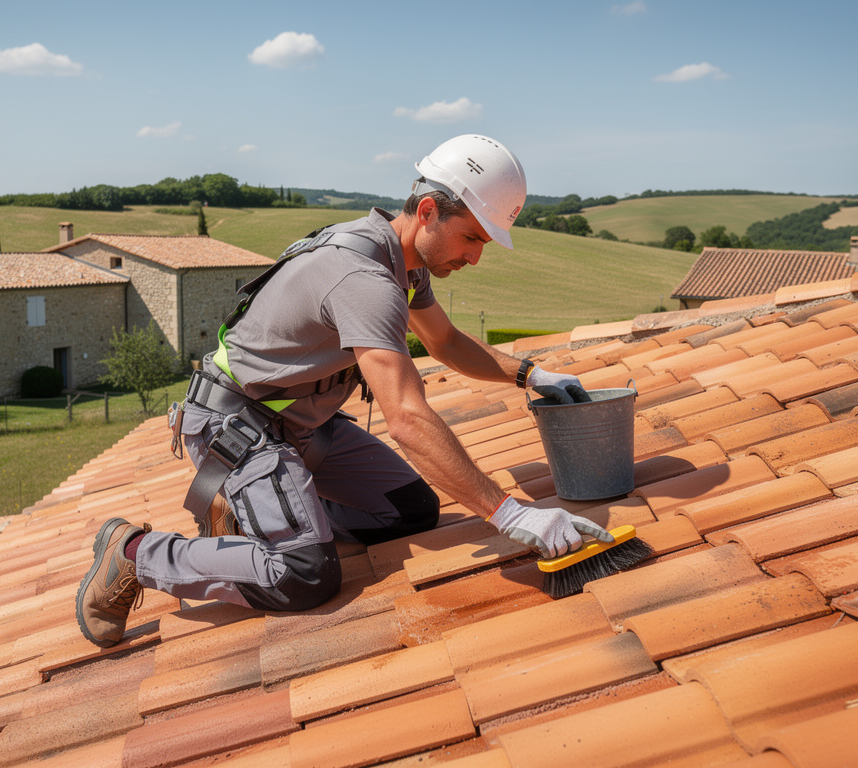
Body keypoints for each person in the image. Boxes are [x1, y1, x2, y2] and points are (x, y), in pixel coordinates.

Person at [76, 134, 611, 647]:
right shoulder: (364, 280)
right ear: (427, 211)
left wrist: (530, 376)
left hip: (305, 425)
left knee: (412, 510)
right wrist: (512, 514)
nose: (475, 257)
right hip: (236, 429)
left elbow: (444, 340)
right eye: (472, 237)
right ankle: (135, 552)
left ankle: (267, 515)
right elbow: (405, 417)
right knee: (305, 574)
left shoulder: (402, 261)